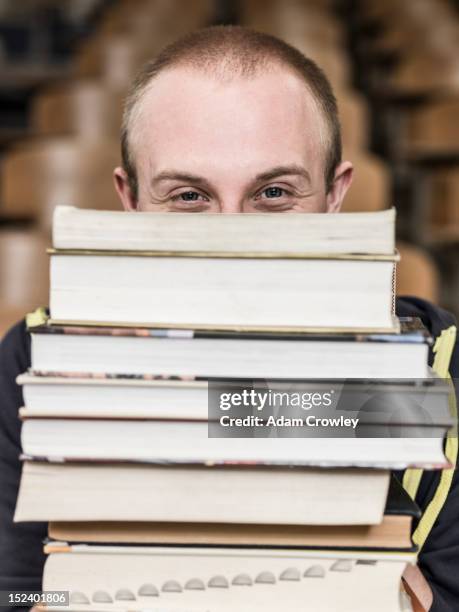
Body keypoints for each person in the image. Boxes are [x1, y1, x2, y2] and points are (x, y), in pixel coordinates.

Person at [0, 26, 457, 612]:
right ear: (132, 202)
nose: (233, 239)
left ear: (335, 196)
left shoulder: (439, 367)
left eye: (273, 193)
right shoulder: (41, 364)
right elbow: (14, 591)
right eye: (189, 197)